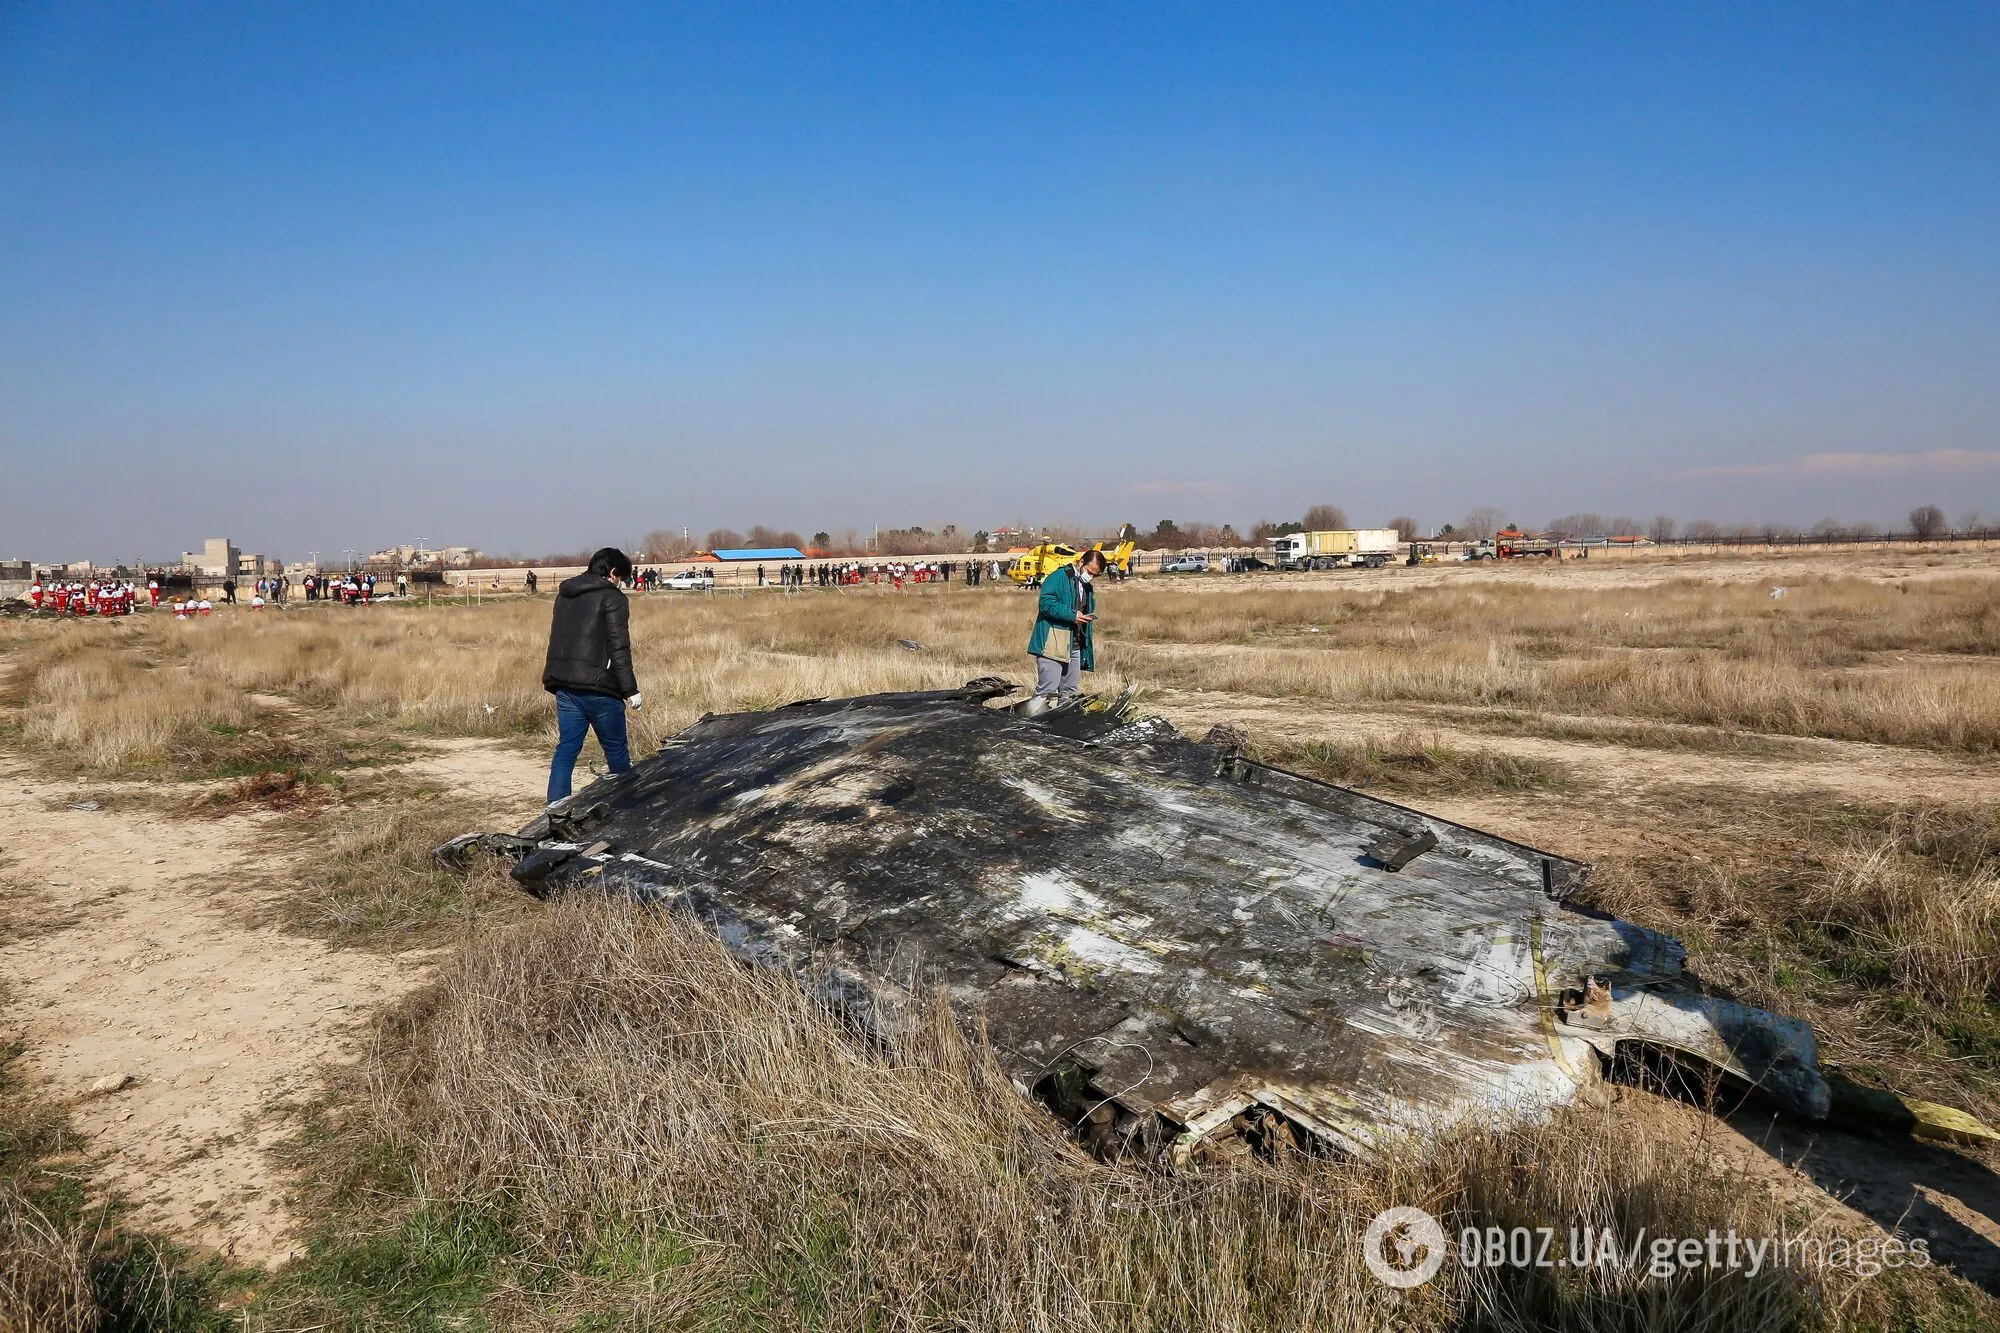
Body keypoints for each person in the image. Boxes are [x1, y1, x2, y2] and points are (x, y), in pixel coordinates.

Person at [543, 546, 641, 805]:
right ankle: (627, 806)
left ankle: (554, 809)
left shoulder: (564, 594)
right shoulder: (613, 598)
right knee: (617, 754)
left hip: (565, 685)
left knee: (566, 750)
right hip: (600, 688)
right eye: (622, 577)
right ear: (613, 572)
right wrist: (630, 689)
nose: (622, 583)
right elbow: (619, 646)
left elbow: (558, 638)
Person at [1028, 549, 1105, 705]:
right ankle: (1032, 726)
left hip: (1074, 644)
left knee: (1069, 692)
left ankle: (1062, 726)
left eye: (1095, 575)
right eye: (1090, 572)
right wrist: (1071, 615)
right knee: (1046, 692)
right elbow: (1046, 604)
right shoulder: (1058, 577)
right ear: (1081, 562)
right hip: (1052, 643)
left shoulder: (1087, 586)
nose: (1091, 577)